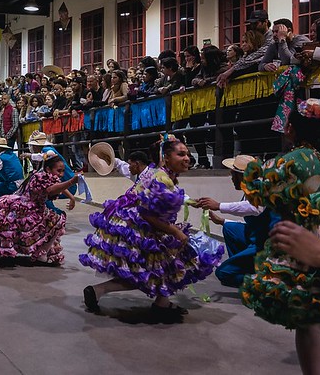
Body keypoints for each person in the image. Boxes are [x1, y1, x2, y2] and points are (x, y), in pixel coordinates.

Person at [79, 135, 224, 322]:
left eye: (187, 153)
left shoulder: (159, 173)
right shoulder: (162, 178)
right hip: (137, 227)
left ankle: (158, 302)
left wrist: (192, 203)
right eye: (181, 154)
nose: (187, 158)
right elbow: (148, 214)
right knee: (149, 270)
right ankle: (103, 291)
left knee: (162, 266)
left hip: (133, 223)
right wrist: (176, 232)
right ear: (166, 157)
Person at [237, 99, 320, 374]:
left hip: (302, 240)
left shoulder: (294, 159)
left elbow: (262, 195)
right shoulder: (319, 157)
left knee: (307, 319)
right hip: (317, 232)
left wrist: (247, 172)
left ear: (291, 129)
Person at [191, 154, 275, 288]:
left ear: (240, 176)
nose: (231, 179)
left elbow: (254, 208)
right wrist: (222, 221)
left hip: (265, 243)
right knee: (229, 227)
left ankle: (264, 282)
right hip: (256, 234)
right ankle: (246, 266)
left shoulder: (259, 188)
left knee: (223, 273)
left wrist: (219, 206)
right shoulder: (250, 189)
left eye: (232, 175)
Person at [0, 151, 80, 264]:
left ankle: (41, 251)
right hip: (25, 208)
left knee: (50, 224)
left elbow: (57, 185)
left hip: (35, 207)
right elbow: (50, 189)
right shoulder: (40, 177)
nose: (61, 174)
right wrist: (72, 181)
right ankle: (41, 252)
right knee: (57, 221)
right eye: (59, 171)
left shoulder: (46, 175)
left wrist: (72, 197)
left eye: (63, 171)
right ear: (48, 169)